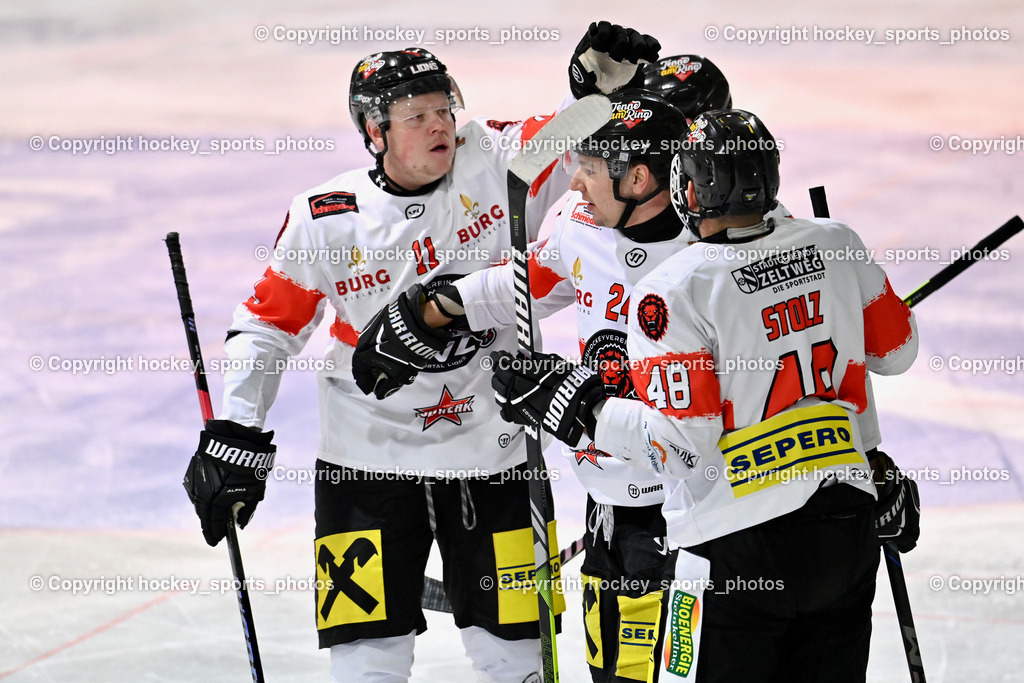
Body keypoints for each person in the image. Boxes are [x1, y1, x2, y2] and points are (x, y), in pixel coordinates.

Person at [181, 29, 658, 683]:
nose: (440, 125)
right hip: (366, 469)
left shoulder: (496, 158)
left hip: (497, 457)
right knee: (365, 665)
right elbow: (266, 325)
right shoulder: (326, 218)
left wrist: (601, 95)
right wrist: (235, 430)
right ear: (374, 131)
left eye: (443, 108)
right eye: (417, 115)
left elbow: (585, 143)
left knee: (519, 659)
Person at [488, 109, 921, 682]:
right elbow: (896, 354)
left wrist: (580, 407)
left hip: (734, 548)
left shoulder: (675, 288)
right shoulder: (836, 242)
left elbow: (680, 449)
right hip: (844, 527)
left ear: (689, 188)